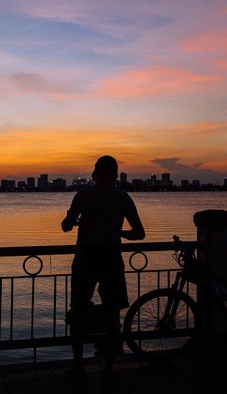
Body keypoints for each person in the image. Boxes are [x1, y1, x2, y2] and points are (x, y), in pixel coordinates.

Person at [61, 155, 145, 386]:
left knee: (78, 312)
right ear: (116, 175)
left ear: (95, 173)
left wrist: (75, 222)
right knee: (111, 317)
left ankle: (78, 367)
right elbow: (139, 233)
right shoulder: (123, 197)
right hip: (111, 257)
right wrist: (118, 233)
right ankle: (108, 370)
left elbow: (66, 226)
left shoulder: (83, 195)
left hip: (85, 257)